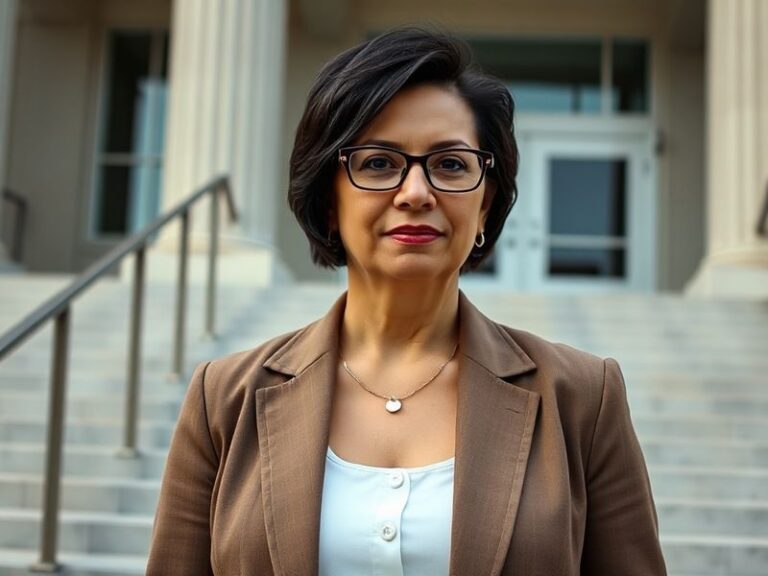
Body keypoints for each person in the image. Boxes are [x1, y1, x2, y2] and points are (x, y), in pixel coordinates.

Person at [146, 28, 667, 576]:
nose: (416, 192)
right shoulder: (225, 400)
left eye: (450, 165)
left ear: (486, 205)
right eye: (377, 163)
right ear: (328, 200)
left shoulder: (583, 398)